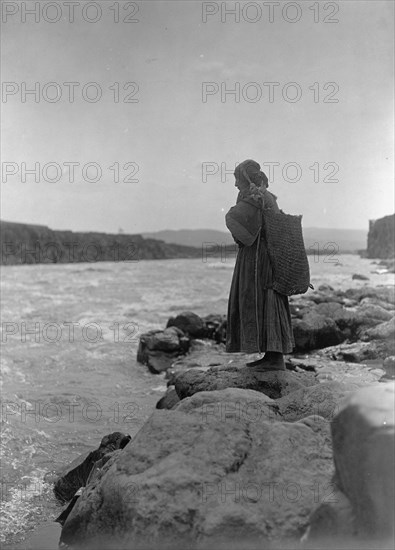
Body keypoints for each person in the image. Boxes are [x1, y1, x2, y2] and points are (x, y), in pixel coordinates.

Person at [225, 159, 294, 370]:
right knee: (269, 301)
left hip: (259, 259)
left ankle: (274, 359)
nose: (236, 185)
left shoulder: (256, 197)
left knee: (261, 299)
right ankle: (272, 355)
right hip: (268, 256)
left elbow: (234, 217)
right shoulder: (266, 195)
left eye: (237, 179)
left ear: (245, 178)